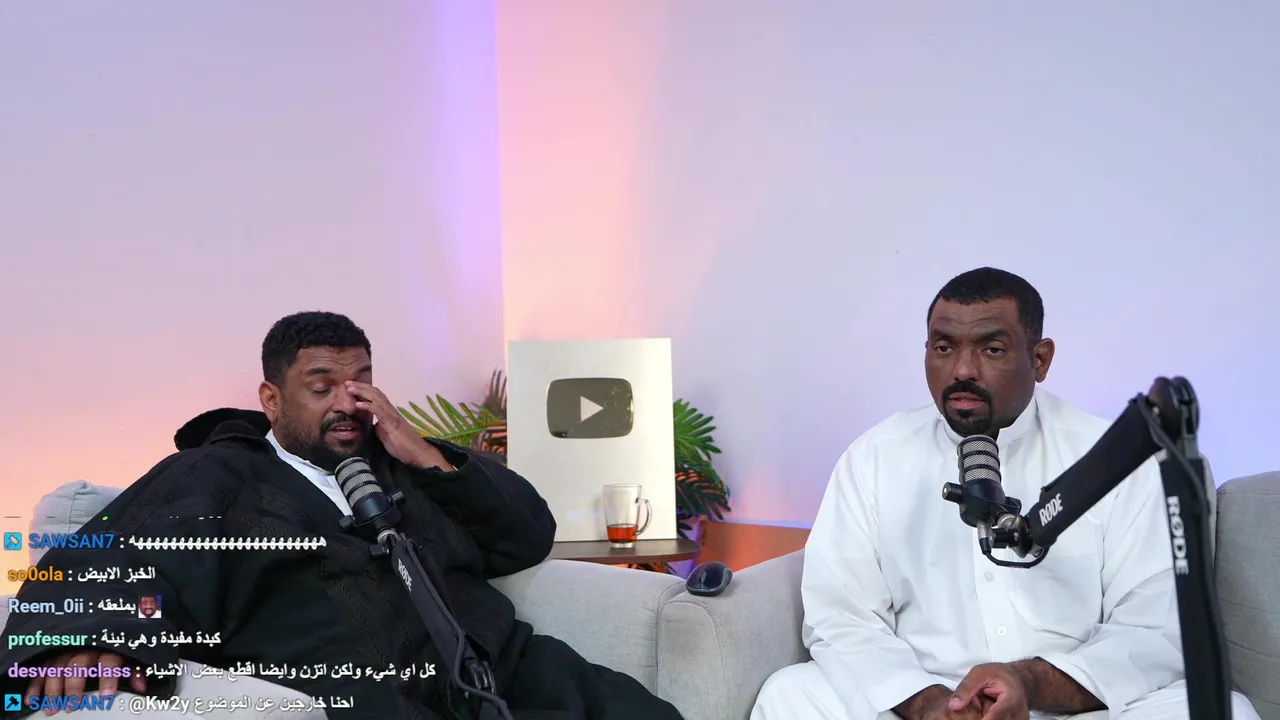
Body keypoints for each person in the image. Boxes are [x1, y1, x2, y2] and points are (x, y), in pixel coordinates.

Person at [0, 311, 683, 720]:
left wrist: (428, 457)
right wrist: (80, 638)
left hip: (502, 672)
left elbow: (526, 537)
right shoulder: (215, 476)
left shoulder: (402, 466)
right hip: (362, 692)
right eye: (321, 386)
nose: (346, 402)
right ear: (272, 398)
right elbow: (116, 558)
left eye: (360, 383)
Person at [751, 268, 1260, 720]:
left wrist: (1028, 682)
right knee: (790, 695)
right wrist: (927, 702)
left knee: (1228, 712)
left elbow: (1154, 628)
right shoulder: (875, 458)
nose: (962, 370)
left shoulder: (1118, 456)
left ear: (1040, 359)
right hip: (927, 701)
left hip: (1071, 706)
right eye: (943, 348)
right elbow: (841, 615)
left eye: (991, 349)